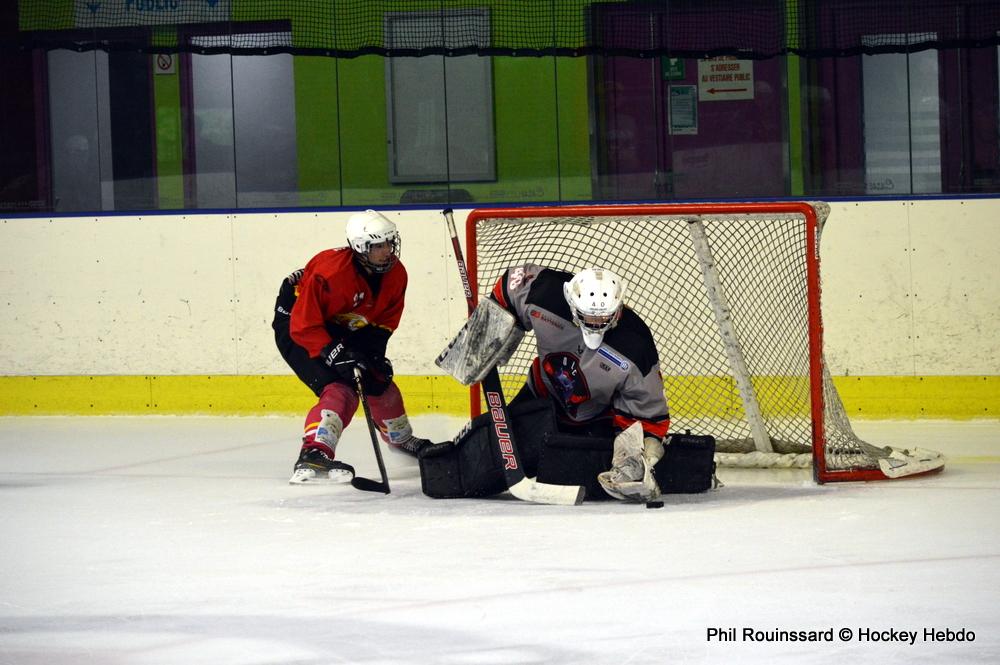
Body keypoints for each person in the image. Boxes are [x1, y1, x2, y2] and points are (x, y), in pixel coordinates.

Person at [273, 209, 430, 484]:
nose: (387, 251)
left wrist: (372, 356)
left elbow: (384, 322)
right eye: (378, 246)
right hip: (298, 326)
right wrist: (334, 353)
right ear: (360, 247)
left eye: (389, 243)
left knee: (377, 379)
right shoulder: (329, 273)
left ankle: (401, 440)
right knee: (340, 389)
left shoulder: (396, 274)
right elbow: (303, 324)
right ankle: (313, 454)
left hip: (341, 325)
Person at [489, 264, 671, 499]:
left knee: (580, 478)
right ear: (571, 303)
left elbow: (649, 417)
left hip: (596, 419)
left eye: (604, 317)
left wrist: (641, 458)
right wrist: (490, 328)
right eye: (589, 316)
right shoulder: (545, 293)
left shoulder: (636, 345)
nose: (596, 323)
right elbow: (510, 287)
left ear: (619, 308)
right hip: (541, 396)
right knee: (490, 459)